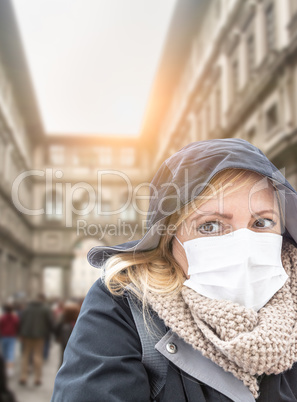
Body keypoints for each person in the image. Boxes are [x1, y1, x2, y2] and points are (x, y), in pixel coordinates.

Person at [51, 138, 297, 402]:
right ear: (168, 239)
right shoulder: (124, 307)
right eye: (210, 225)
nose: (244, 245)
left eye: (262, 222)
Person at [19, 293, 53, 386]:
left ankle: (23, 376)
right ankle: (37, 378)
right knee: (37, 355)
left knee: (25, 355)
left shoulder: (26, 308)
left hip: (27, 334)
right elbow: (49, 322)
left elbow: (21, 321)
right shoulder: (45, 309)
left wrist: (20, 333)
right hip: (40, 335)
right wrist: (50, 332)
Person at [54, 301, 80, 367]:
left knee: (63, 360)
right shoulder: (78, 324)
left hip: (66, 349)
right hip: (73, 350)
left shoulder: (65, 324)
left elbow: (57, 328)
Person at [0, 303, 19, 378]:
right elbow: (17, 325)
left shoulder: (3, 317)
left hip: (4, 336)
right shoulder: (14, 318)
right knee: (10, 352)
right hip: (12, 336)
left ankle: (4, 369)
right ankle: (10, 369)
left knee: (4, 353)